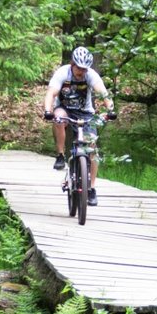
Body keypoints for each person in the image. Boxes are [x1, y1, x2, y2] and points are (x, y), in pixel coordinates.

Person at [43, 46, 115, 207]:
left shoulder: (91, 75)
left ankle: (91, 189)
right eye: (78, 68)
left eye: (84, 69)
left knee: (92, 149)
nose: (81, 72)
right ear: (72, 64)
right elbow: (51, 93)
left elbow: (103, 93)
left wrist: (110, 109)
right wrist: (48, 110)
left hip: (85, 113)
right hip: (65, 109)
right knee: (58, 118)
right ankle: (60, 155)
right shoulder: (63, 73)